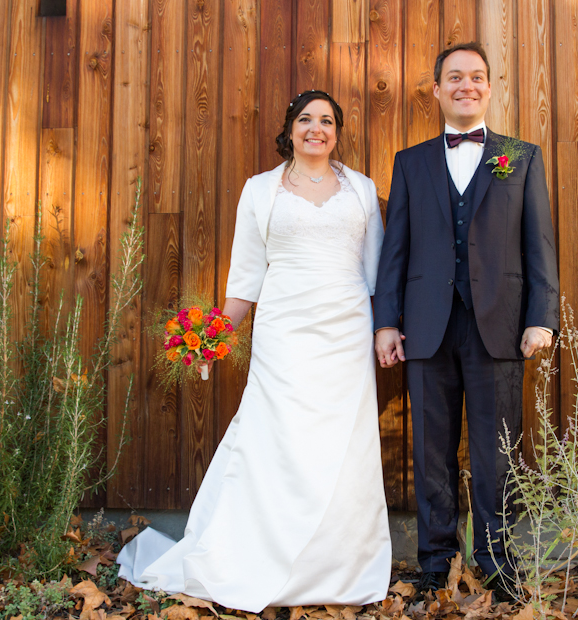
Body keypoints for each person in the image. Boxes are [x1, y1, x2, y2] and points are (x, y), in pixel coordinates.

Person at [118, 91, 391, 612]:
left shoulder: (360, 188)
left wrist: (386, 329)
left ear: (337, 132)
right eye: (306, 119)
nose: (316, 128)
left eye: (327, 121)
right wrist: (214, 337)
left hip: (347, 332)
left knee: (341, 444)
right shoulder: (261, 189)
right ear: (289, 130)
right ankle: (256, 556)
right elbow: (245, 277)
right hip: (284, 332)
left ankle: (338, 567)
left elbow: (377, 272)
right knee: (276, 439)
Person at [373, 42, 559, 594]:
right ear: (437, 90)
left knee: (497, 451)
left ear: (489, 88)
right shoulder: (410, 162)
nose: (466, 85)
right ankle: (436, 563)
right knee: (432, 451)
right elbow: (395, 249)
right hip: (426, 327)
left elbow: (539, 244)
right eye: (455, 77)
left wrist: (541, 317)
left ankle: (497, 560)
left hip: (499, 326)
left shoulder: (521, 157)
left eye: (476, 76)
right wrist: (386, 322)